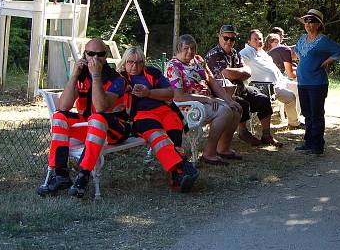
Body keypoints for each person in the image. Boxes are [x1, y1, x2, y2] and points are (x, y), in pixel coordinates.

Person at [38, 38, 132, 198]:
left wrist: (96, 77)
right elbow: (63, 106)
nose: (95, 58)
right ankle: (61, 175)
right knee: (59, 116)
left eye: (100, 54)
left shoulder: (117, 80)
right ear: (84, 55)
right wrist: (74, 76)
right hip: (89, 127)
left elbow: (101, 107)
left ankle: (83, 175)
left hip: (114, 130)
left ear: (106, 56)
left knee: (97, 118)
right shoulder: (81, 76)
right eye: (91, 54)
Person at [118, 46, 199, 191]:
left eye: (138, 62)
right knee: (159, 137)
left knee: (175, 133)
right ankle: (182, 167)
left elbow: (169, 93)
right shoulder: (120, 78)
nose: (134, 66)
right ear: (124, 62)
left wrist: (148, 93)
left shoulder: (152, 73)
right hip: (140, 115)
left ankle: (177, 175)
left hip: (164, 110)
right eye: (130, 62)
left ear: (144, 62)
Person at [165, 34, 243, 165]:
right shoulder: (173, 66)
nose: (190, 51)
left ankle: (223, 148)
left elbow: (212, 81)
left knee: (235, 109)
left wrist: (228, 100)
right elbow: (178, 96)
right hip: (186, 106)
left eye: (192, 48)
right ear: (178, 48)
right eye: (186, 48)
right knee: (224, 111)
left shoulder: (198, 60)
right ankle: (209, 153)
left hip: (205, 100)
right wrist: (205, 99)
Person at [205, 24, 283, 147]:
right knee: (242, 103)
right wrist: (240, 72)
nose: (229, 41)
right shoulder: (214, 54)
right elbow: (226, 74)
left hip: (240, 88)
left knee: (263, 99)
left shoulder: (235, 53)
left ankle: (266, 135)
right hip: (223, 92)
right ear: (219, 37)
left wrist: (237, 72)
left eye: (232, 39)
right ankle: (243, 132)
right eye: (226, 38)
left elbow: (248, 72)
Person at [293, 9, 340, 156]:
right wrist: (302, 60)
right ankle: (308, 142)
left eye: (312, 22)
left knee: (316, 114)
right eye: (307, 21)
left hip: (317, 83)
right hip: (302, 82)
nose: (308, 24)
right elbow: (297, 50)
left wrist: (327, 62)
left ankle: (317, 145)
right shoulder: (302, 39)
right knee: (307, 114)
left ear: (318, 25)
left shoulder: (323, 41)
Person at [240, 29, 303, 129]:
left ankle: (295, 119)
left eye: (260, 39)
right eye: (255, 39)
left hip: (280, 81)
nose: (258, 41)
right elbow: (238, 62)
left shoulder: (261, 52)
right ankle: (294, 123)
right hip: (265, 87)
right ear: (248, 41)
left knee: (300, 88)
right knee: (290, 97)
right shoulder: (245, 53)